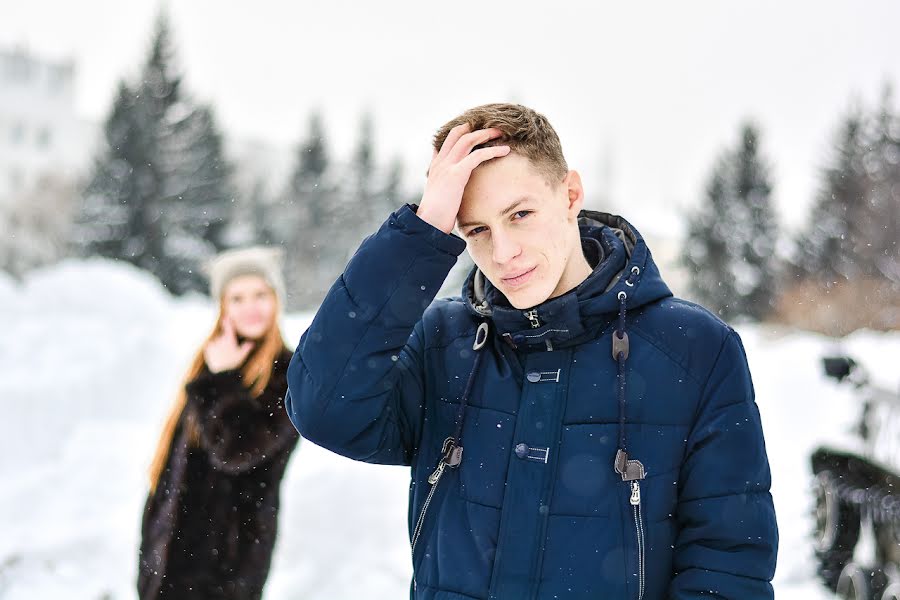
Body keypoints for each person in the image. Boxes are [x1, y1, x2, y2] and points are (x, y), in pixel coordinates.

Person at [285, 103, 778, 599]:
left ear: (570, 194)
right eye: (476, 229)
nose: (503, 253)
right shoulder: (444, 342)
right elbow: (323, 408)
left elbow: (728, 564)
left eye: (519, 215)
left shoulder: (695, 350)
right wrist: (422, 229)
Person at [138, 246, 300, 600]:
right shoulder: (209, 359)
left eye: (260, 295)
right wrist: (151, 553)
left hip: (228, 566)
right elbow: (171, 472)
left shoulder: (288, 375)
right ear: (222, 305)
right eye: (237, 298)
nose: (251, 307)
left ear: (276, 299)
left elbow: (236, 452)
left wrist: (221, 381)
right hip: (171, 560)